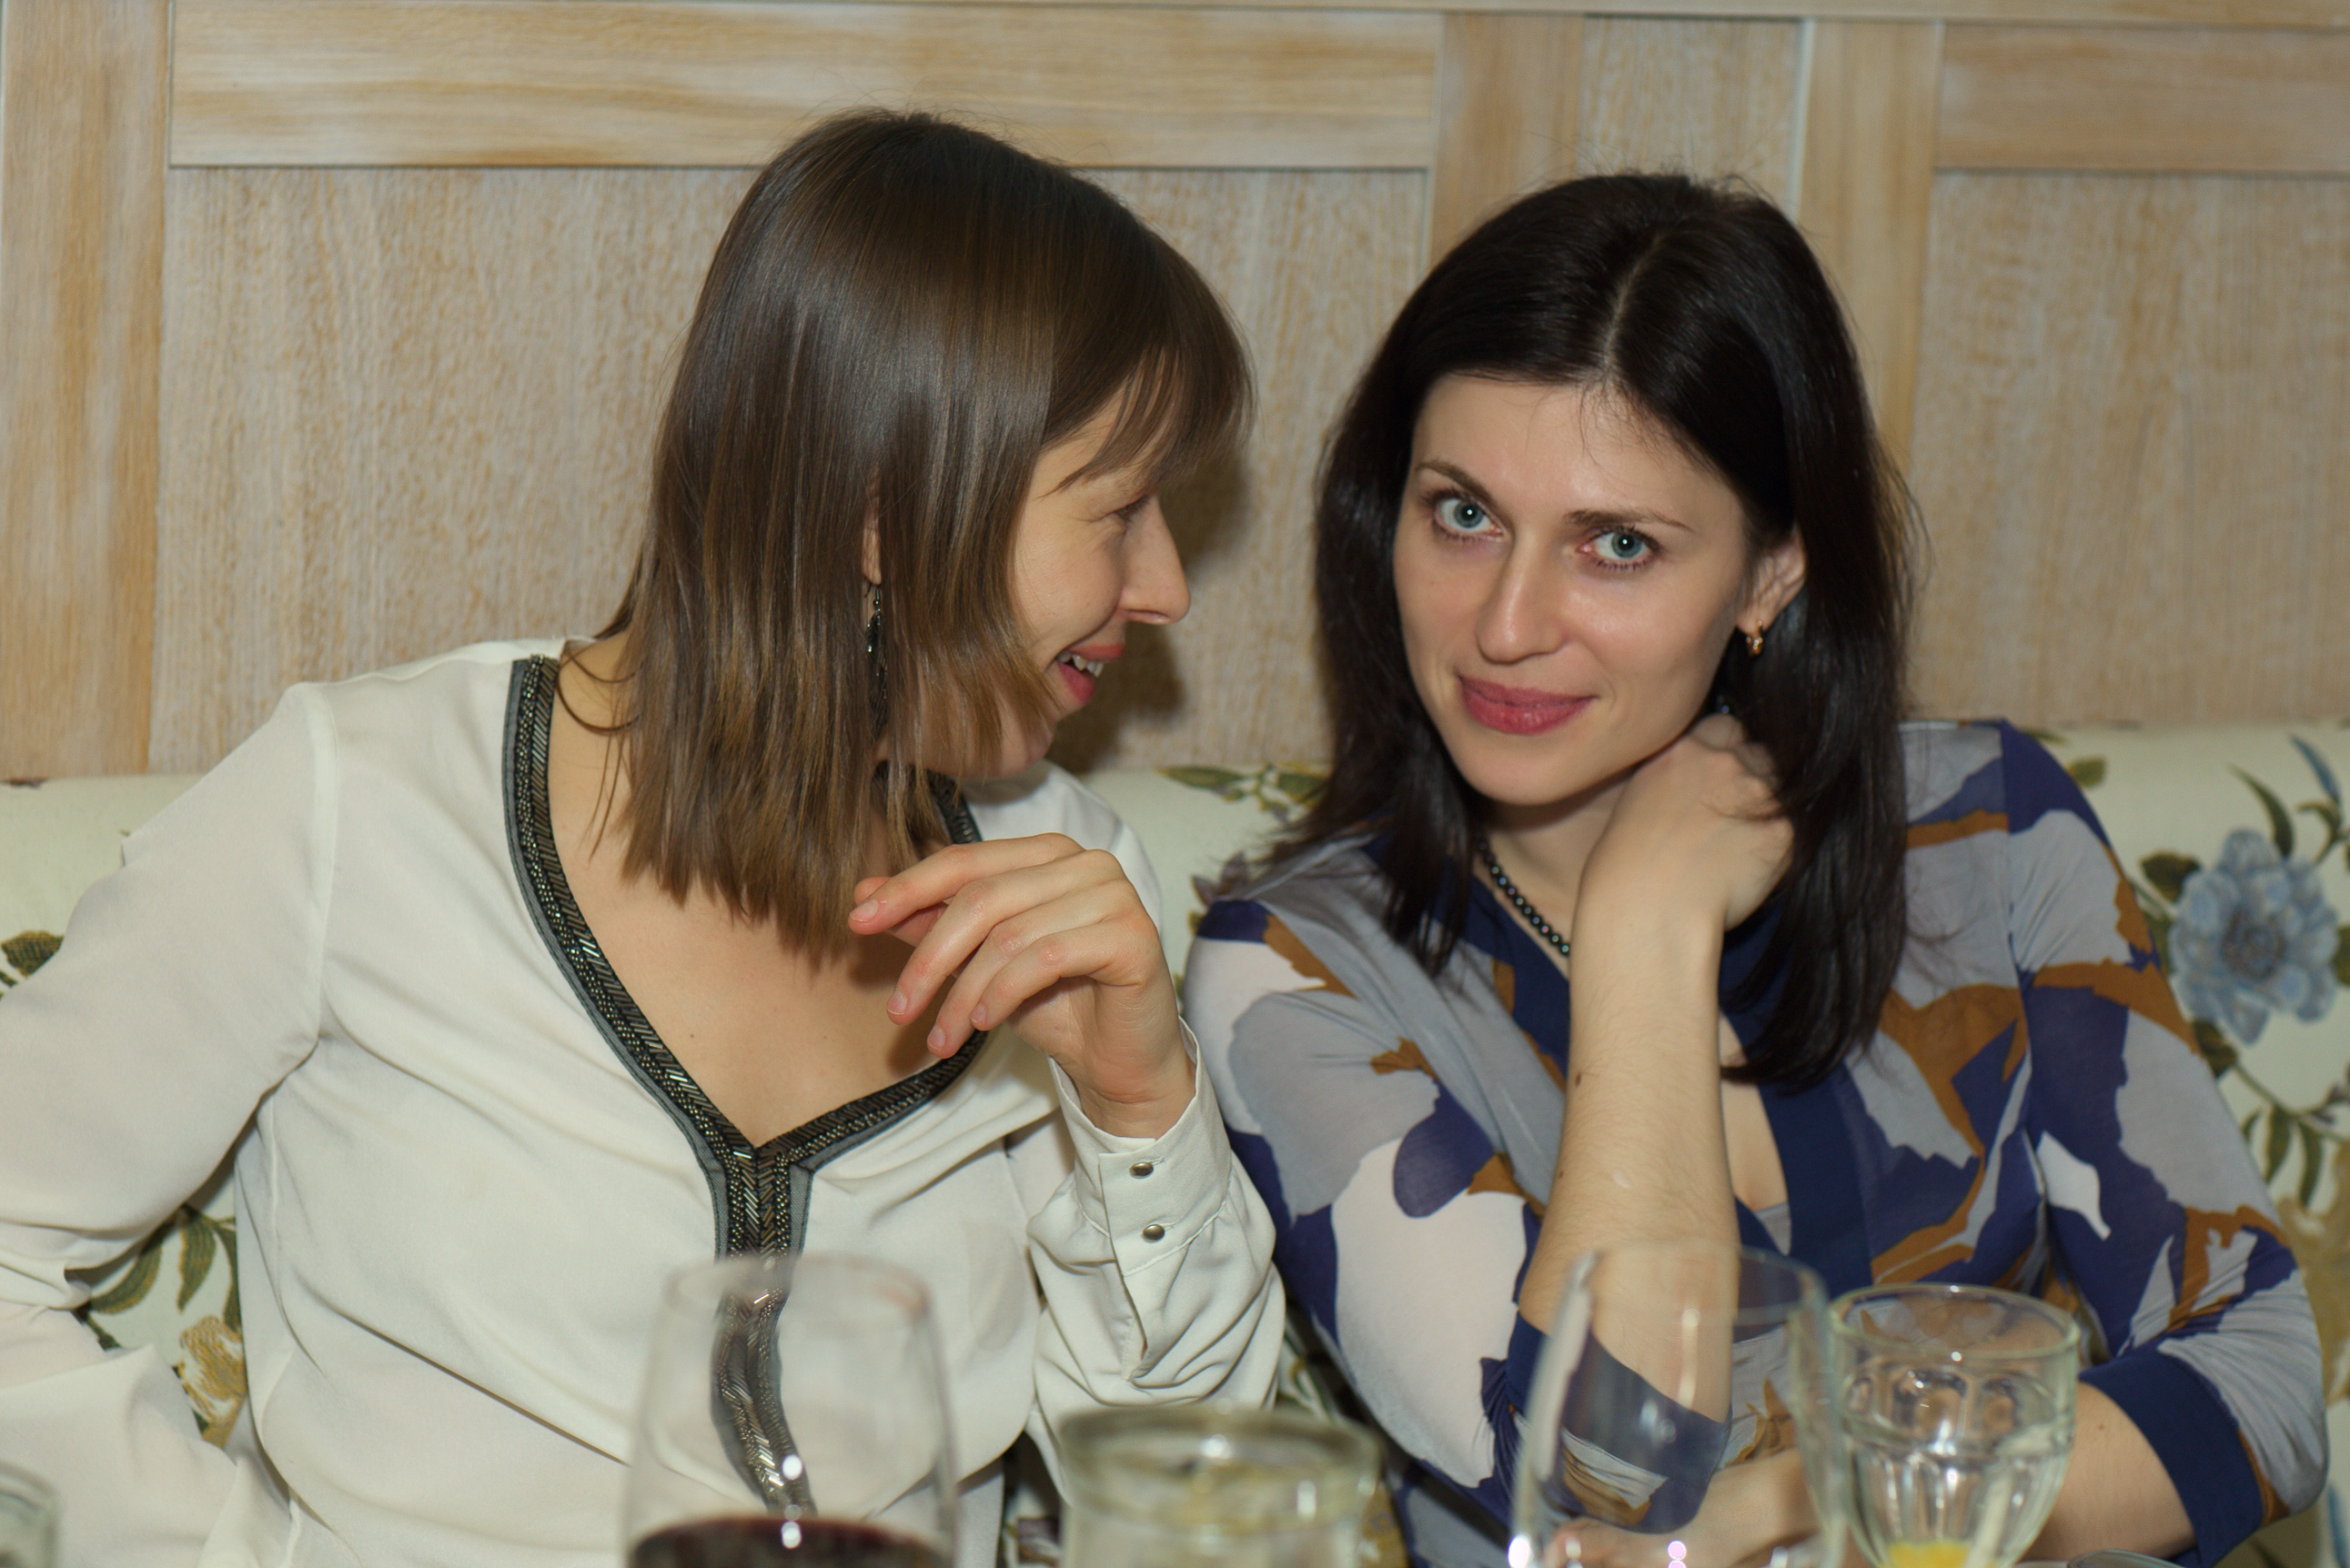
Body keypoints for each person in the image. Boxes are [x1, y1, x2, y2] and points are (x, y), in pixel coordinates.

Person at [0, 111, 1282, 1567]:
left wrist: (1139, 1111)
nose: (1166, 585)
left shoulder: (1061, 884)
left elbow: (1188, 1501)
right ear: (880, 510)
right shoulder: (368, 803)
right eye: (1120, 509)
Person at [1182, 173, 2324, 1568]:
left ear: (1772, 573)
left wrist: (1787, 1506)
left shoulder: (1986, 835)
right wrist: (1646, 930)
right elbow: (1602, 1493)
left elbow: (2262, 1378)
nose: (1507, 623)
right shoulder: (1292, 974)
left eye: (1617, 545)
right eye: (1463, 514)